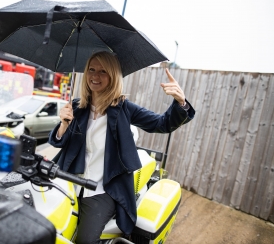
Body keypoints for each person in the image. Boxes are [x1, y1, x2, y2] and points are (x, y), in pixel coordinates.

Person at [48, 51, 195, 243]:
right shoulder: (77, 106)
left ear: (113, 76)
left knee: (84, 240)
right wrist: (64, 124)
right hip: (67, 181)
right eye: (91, 69)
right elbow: (59, 141)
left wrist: (180, 102)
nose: (95, 76)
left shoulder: (124, 108)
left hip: (102, 189)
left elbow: (161, 124)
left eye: (103, 71)